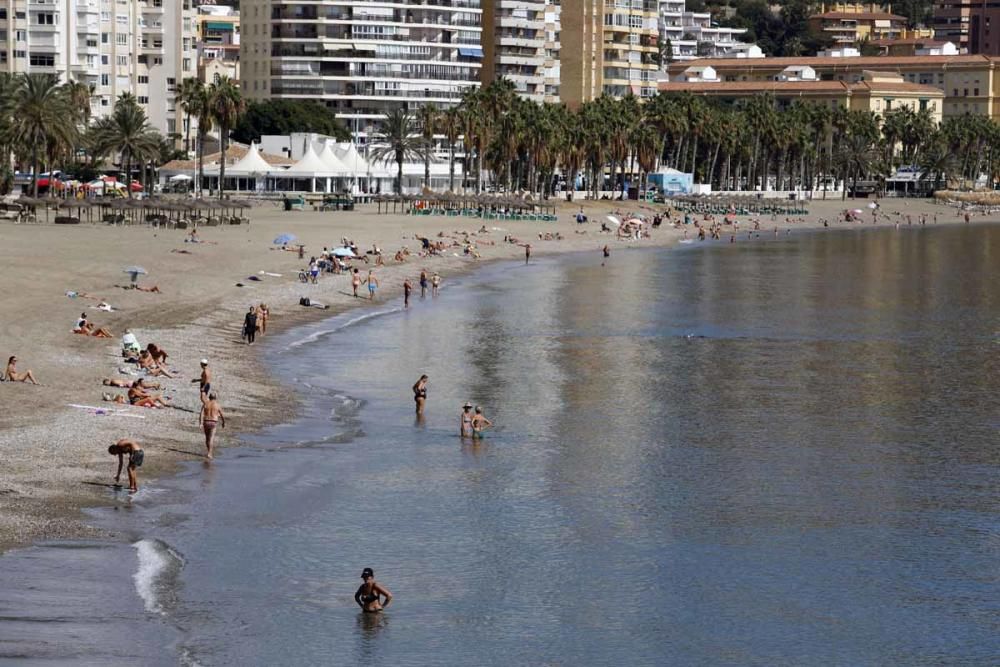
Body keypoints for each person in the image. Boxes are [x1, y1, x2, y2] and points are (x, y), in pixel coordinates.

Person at [199, 392, 226, 459]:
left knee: (207, 438)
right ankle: (210, 453)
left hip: (206, 421)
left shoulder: (205, 404)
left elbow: (201, 414)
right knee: (211, 438)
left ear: (209, 397)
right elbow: (222, 415)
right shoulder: (217, 405)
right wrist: (223, 423)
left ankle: (208, 451)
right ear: (215, 398)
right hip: (213, 422)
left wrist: (200, 423)